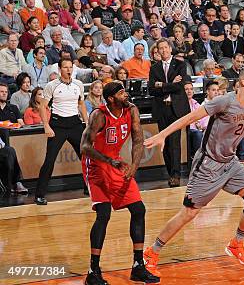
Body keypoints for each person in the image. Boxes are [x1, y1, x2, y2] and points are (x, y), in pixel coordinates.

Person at [143, 69, 244, 276]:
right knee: (189, 213)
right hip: (208, 164)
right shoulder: (224, 101)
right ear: (243, 82)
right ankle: (152, 252)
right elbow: (189, 117)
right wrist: (163, 134)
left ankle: (236, 244)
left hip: (231, 163)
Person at [80, 81, 159, 284]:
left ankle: (138, 266)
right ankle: (93, 271)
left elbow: (138, 139)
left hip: (115, 163)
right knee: (103, 214)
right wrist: (108, 160)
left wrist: (134, 166)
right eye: (121, 92)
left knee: (139, 209)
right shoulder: (99, 115)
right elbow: (85, 147)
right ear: (111, 99)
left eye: (125, 90)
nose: (126, 95)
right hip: (96, 165)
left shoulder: (131, 110)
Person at [35, 58, 88, 205]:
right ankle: (39, 194)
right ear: (60, 69)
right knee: (49, 160)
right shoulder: (52, 85)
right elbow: (42, 106)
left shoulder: (78, 84)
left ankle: (88, 188)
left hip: (75, 124)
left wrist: (87, 123)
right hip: (57, 124)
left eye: (70, 67)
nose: (69, 70)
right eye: (65, 67)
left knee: (86, 157)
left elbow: (81, 104)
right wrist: (46, 126)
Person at [148, 39, 189, 188]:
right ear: (157, 51)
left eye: (166, 47)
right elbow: (151, 89)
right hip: (161, 108)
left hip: (176, 108)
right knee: (164, 142)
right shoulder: (154, 68)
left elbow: (180, 86)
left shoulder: (180, 64)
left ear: (170, 49)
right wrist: (170, 83)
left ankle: (176, 174)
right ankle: (170, 173)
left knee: (175, 143)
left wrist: (162, 85)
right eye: (161, 48)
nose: (164, 50)